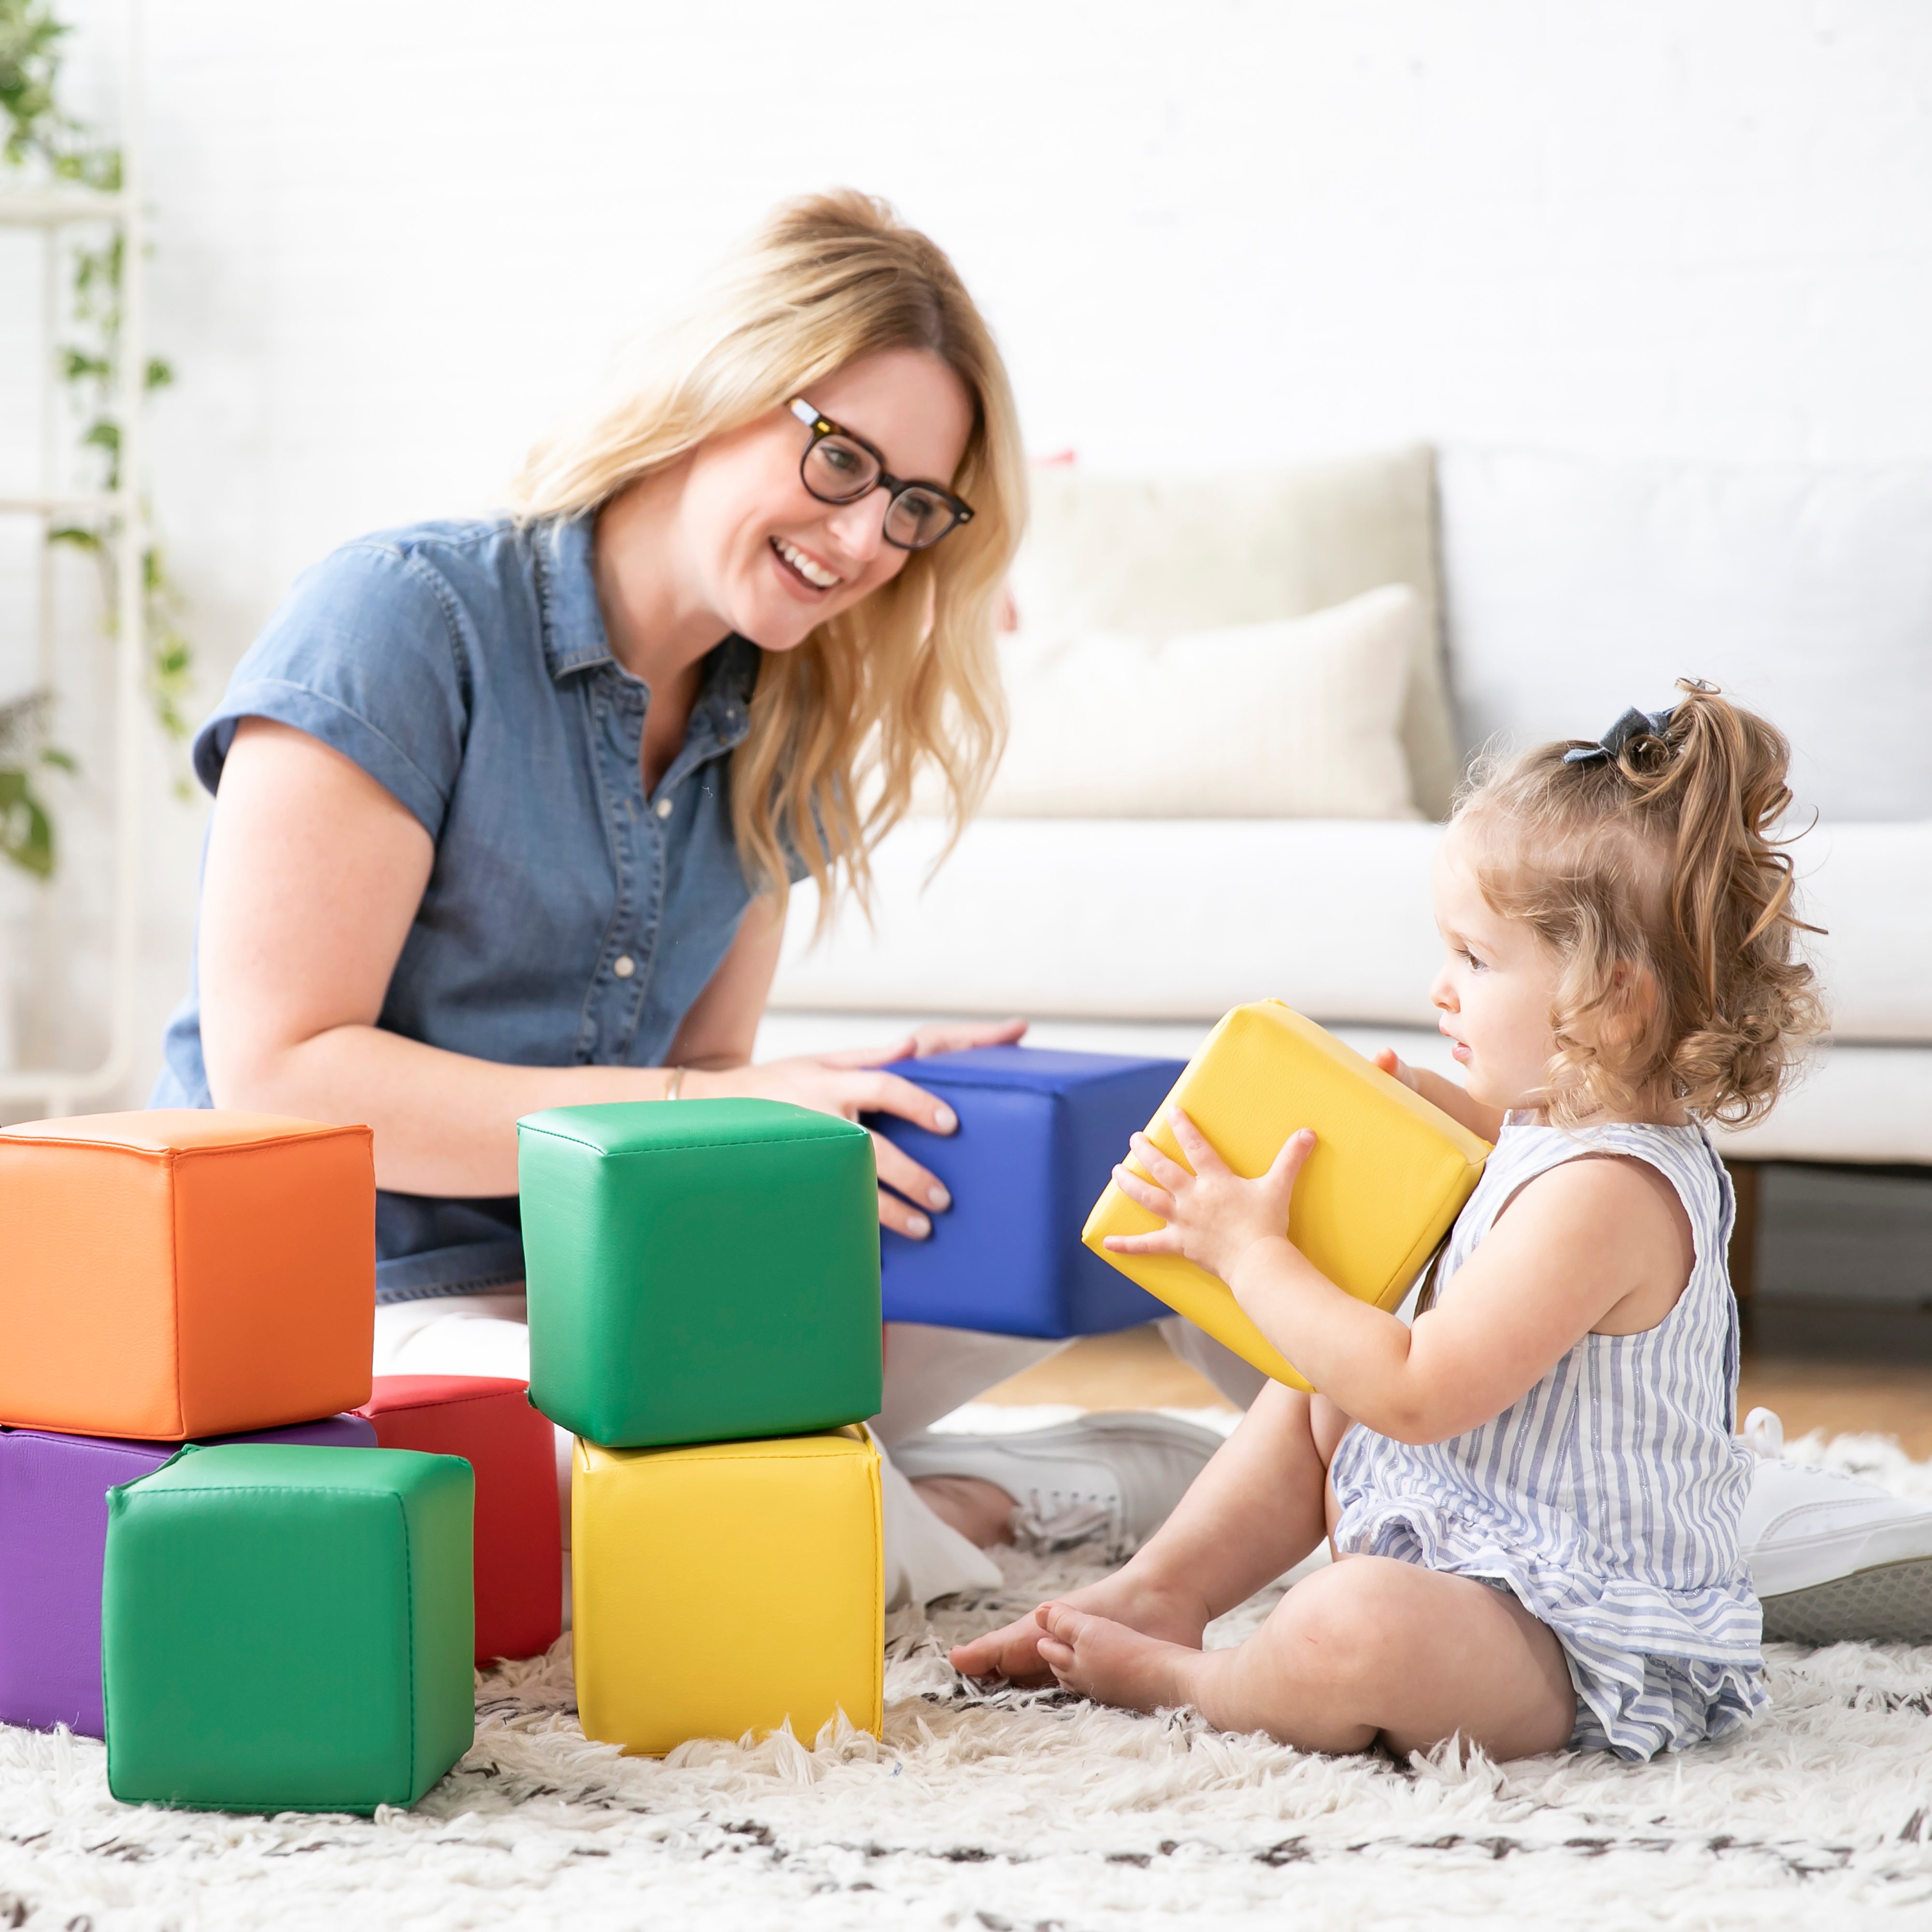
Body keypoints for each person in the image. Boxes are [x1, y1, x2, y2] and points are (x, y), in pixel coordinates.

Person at [152, 191, 1221, 1608]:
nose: (862, 542)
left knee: (1132, 1191)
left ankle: (1294, 1490)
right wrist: (716, 1110)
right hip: (361, 1312)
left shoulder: (785, 723)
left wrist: (857, 1121)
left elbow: (708, 1078)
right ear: (714, 385)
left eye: (912, 505)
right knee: (720, 1537)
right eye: (839, 460)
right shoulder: (406, 616)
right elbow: (280, 1078)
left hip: (615, 1303)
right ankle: (1002, 1497)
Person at [953, 682, 1825, 1761]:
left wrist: (1252, 1251)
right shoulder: (1554, 1121)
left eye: (1474, 958)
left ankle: (1195, 1678)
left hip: (1573, 1632)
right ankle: (1160, 1588)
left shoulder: (1606, 1195)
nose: (1439, 987)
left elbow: (1414, 1390)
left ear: (1611, 1002)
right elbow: (1499, 1161)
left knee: (1348, 1616)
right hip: (1475, 1540)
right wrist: (1416, 1102)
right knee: (1314, 1380)